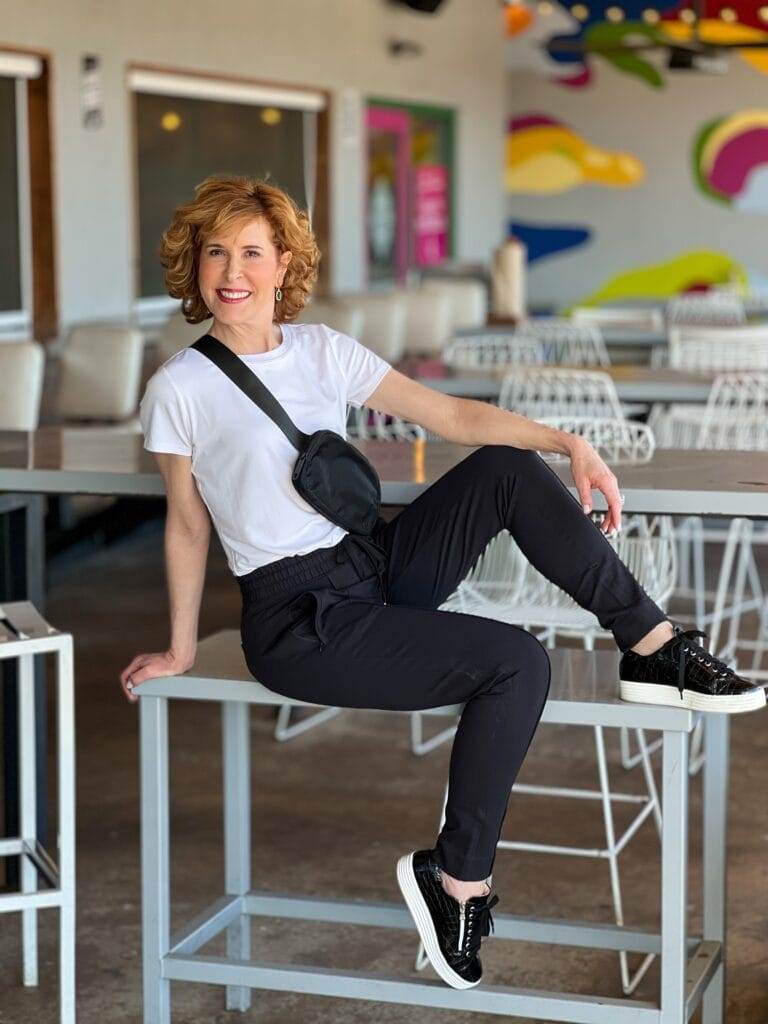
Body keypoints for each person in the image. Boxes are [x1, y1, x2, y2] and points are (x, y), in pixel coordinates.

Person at [120, 174, 765, 991]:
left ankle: (650, 642)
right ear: (195, 263)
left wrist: (566, 441)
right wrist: (180, 648)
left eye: (252, 250)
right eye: (216, 250)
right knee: (519, 662)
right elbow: (187, 521)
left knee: (504, 467)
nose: (232, 270)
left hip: (371, 565)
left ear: (283, 263)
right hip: (298, 619)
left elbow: (452, 417)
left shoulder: (322, 351)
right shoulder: (179, 386)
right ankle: (457, 879)